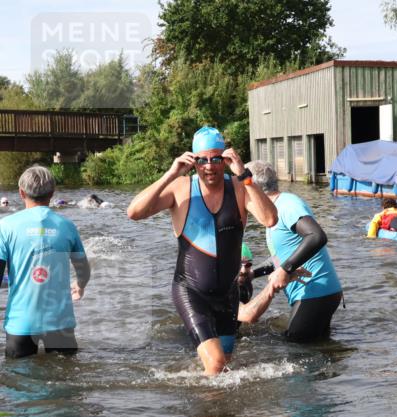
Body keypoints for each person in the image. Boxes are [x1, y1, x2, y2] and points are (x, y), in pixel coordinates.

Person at [127, 127, 277, 375]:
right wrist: (170, 174)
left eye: (216, 159)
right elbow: (134, 212)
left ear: (225, 159)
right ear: (193, 161)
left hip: (228, 294)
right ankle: (204, 410)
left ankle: (211, 411)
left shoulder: (240, 187)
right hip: (191, 291)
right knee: (217, 363)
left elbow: (270, 219)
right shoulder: (180, 188)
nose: (210, 166)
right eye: (202, 160)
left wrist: (244, 174)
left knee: (224, 367)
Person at [245, 160, 343, 342]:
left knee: (295, 350)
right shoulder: (271, 213)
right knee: (320, 352)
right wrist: (253, 273)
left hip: (316, 292)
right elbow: (281, 256)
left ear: (255, 190)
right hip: (317, 293)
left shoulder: (288, 205)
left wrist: (285, 269)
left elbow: (317, 236)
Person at [0, 165, 91, 358]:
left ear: (21, 192)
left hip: (21, 322)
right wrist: (80, 285)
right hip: (60, 322)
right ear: (52, 193)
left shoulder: (5, 226)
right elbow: (83, 269)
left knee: (18, 381)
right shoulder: (66, 225)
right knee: (65, 379)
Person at [237, 243, 310, 324]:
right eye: (238, 264)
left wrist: (286, 269)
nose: (243, 270)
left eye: (248, 265)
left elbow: (276, 260)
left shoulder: (246, 276)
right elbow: (246, 316)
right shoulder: (223, 287)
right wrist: (272, 286)